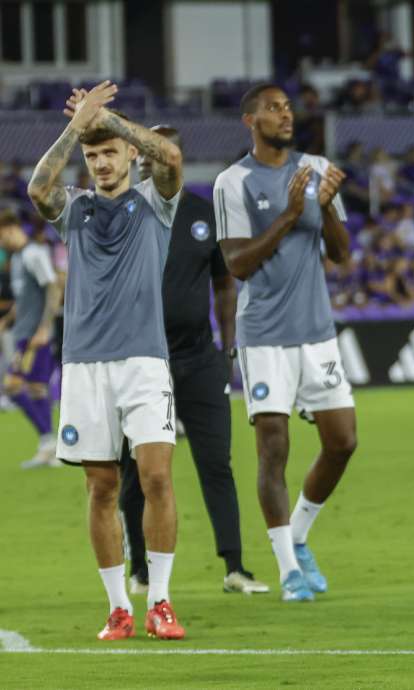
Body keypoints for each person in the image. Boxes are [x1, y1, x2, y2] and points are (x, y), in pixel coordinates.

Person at [28, 81, 186, 640]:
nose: (99, 164)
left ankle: (161, 602)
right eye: (92, 156)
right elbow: (37, 190)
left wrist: (108, 119)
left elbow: (169, 157)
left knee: (157, 476)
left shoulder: (154, 203)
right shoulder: (76, 210)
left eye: (107, 154)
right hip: (85, 366)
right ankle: (119, 606)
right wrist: (77, 127)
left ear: (128, 156)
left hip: (144, 363)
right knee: (100, 487)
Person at [214, 84, 358, 603]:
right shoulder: (232, 182)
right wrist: (292, 215)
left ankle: (296, 535)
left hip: (316, 332)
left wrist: (328, 207)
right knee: (273, 449)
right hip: (265, 336)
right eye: (273, 108)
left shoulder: (316, 166)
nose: (285, 114)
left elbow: (341, 255)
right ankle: (287, 569)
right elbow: (237, 263)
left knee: (343, 442)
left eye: (288, 107)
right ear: (249, 119)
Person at [118, 125, 268, 597]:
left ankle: (235, 567)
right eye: (142, 154)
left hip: (199, 358)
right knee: (134, 470)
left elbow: (225, 285)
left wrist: (228, 348)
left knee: (215, 462)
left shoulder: (205, 214)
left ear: (176, 158)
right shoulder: (123, 214)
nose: (149, 160)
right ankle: (140, 570)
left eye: (157, 153)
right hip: (141, 361)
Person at [0, 210, 61, 468]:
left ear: (11, 228)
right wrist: (8, 318)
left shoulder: (34, 253)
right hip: (24, 333)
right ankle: (49, 447)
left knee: (13, 386)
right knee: (37, 390)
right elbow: (25, 298)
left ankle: (49, 442)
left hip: (36, 336)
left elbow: (53, 286)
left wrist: (45, 328)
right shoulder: (17, 257)